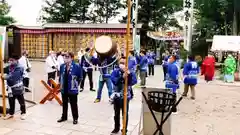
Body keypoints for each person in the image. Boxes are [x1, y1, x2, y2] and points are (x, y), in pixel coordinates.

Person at [110, 56, 137, 134]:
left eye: (124, 63)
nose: (122, 64)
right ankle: (116, 128)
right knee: (116, 113)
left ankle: (124, 128)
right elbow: (114, 81)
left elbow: (133, 82)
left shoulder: (130, 72)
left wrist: (129, 75)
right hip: (117, 96)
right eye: (121, 63)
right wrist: (122, 77)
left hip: (126, 96)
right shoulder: (115, 71)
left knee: (125, 113)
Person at [57, 52, 82, 125]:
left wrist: (75, 84)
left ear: (72, 58)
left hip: (72, 88)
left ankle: (75, 118)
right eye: (64, 57)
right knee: (64, 103)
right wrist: (60, 85)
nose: (65, 58)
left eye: (67, 57)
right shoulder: (62, 66)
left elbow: (80, 77)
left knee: (73, 104)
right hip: (64, 88)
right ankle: (64, 117)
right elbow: (60, 76)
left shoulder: (76, 66)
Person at [2, 55, 26, 120]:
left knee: (21, 101)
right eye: (9, 60)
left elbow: (14, 76)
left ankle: (23, 113)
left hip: (18, 87)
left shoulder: (20, 67)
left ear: (16, 60)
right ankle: (11, 113)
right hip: (10, 88)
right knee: (11, 101)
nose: (10, 61)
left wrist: (5, 77)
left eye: (12, 60)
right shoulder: (9, 67)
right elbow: (3, 70)